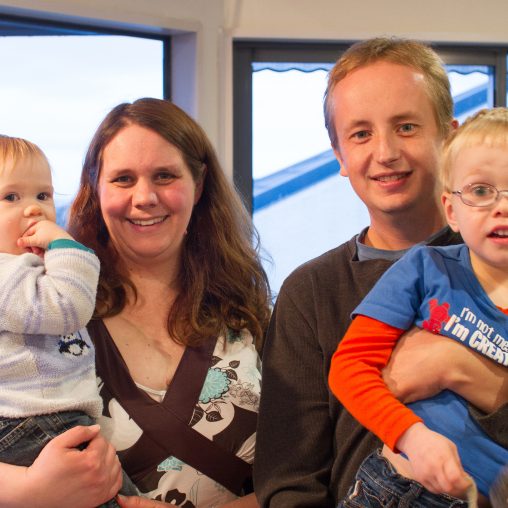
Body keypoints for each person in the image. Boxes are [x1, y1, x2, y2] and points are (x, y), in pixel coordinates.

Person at [254, 37, 507, 507]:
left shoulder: (498, 262)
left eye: (406, 126)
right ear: (339, 156)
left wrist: (461, 370)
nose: (386, 151)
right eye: (360, 134)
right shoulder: (311, 292)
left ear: (449, 139)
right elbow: (290, 478)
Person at [65, 97, 271, 507]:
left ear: (199, 185)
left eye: (164, 176)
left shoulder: (250, 317)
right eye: (123, 179)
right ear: (95, 189)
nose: (144, 197)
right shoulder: (56, 319)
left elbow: (303, 478)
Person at [329, 107, 508, 506]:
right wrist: (412, 435)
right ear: (452, 211)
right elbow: (350, 368)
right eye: (481, 191)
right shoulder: (425, 268)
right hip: (393, 486)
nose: (502, 207)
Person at [0, 135, 137, 507]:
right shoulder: (6, 273)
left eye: (43, 195)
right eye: (11, 197)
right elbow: (66, 308)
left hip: (42, 419)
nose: (34, 209)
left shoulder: (22, 269)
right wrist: (66, 245)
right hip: (31, 421)